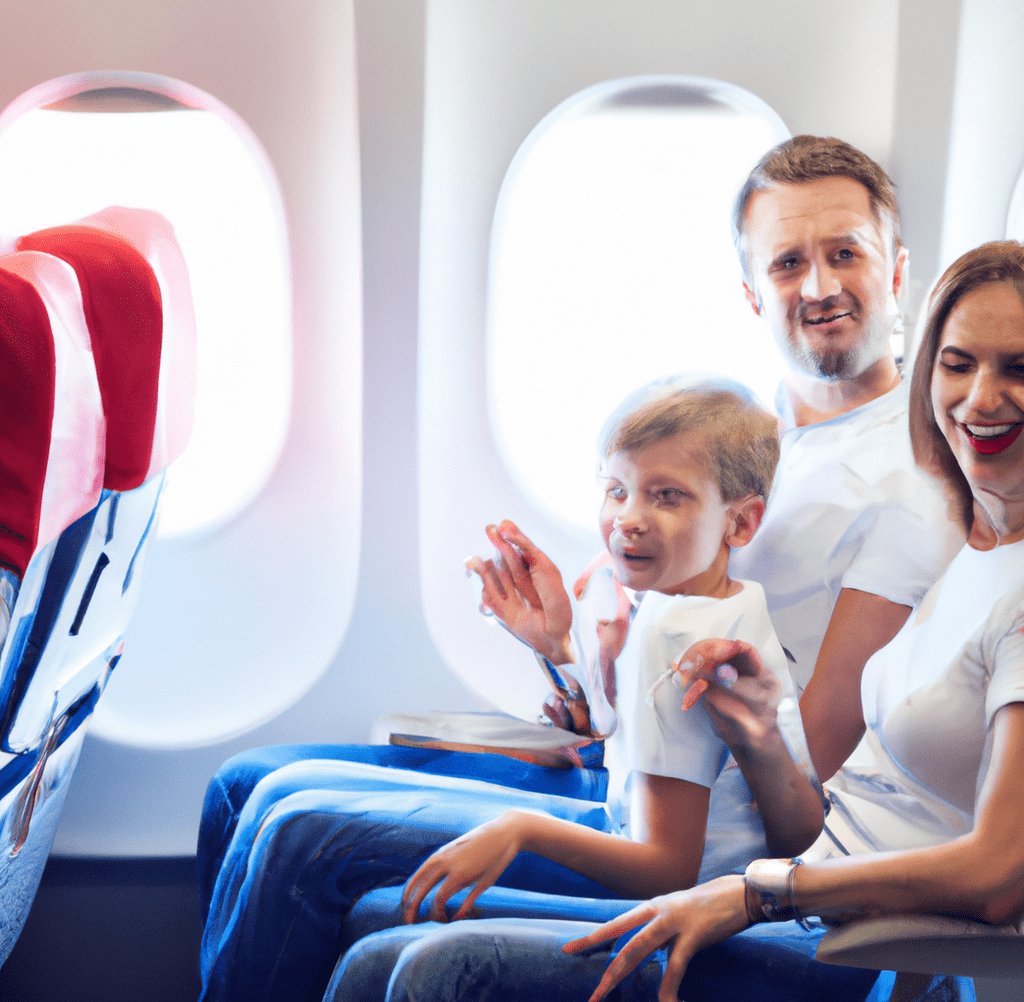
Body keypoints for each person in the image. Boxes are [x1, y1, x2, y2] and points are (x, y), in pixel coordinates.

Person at [197, 380, 824, 1002]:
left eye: (667, 497)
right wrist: (561, 653)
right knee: (290, 812)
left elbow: (667, 868)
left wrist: (522, 828)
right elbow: (655, 756)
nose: (629, 519)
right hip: (650, 845)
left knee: (302, 831)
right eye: (616, 490)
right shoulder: (720, 605)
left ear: (740, 521)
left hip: (679, 898)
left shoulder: (678, 635)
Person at [523, 239, 1024, 1002]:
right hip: (802, 892)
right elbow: (819, 827)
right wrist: (755, 737)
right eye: (958, 364)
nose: (982, 397)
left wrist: (760, 893)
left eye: (1018, 366)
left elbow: (998, 875)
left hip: (848, 948)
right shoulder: (977, 545)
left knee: (399, 944)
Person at [561, 137, 963, 785]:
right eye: (786, 264)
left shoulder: (916, 475)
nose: (819, 287)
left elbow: (811, 765)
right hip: (641, 773)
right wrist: (564, 652)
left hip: (720, 816)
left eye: (845, 254)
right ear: (753, 295)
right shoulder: (730, 429)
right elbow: (636, 692)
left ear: (894, 275)